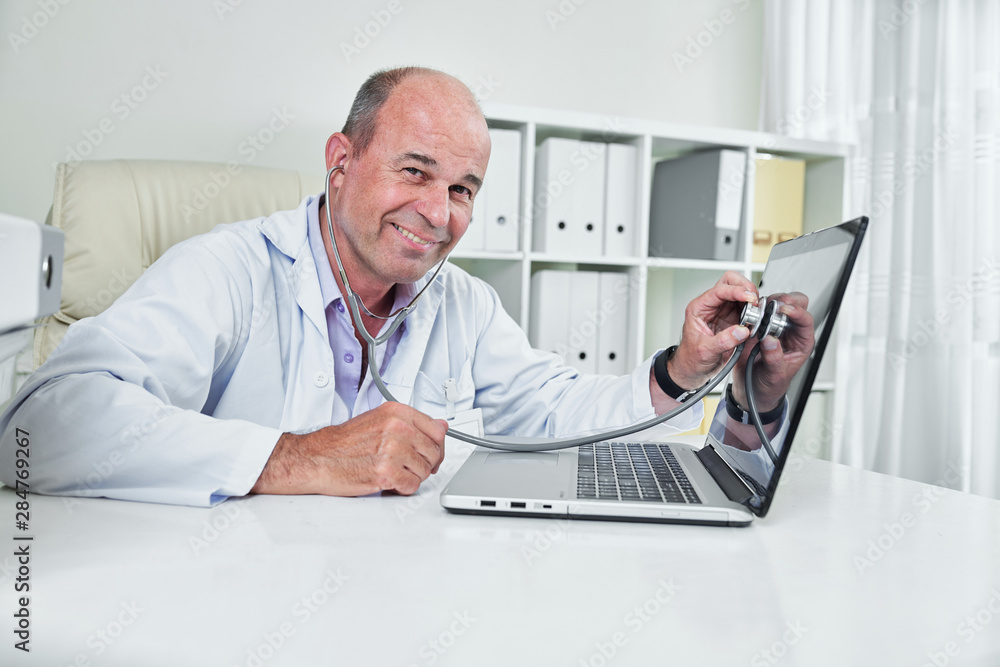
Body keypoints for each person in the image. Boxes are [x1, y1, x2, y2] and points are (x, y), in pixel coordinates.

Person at [0, 67, 811, 506]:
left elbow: (553, 414)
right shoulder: (230, 270)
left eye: (462, 189)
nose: (438, 212)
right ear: (341, 160)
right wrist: (299, 458)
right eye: (415, 171)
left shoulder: (460, 301)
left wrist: (685, 368)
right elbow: (37, 425)